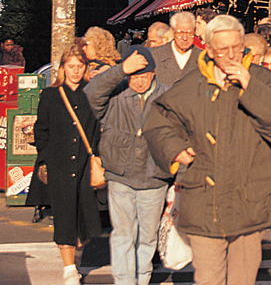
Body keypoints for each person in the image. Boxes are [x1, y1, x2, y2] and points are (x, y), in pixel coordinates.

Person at [144, 15, 271, 285]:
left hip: (249, 200)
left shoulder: (264, 79)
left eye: (236, 48)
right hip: (203, 197)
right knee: (208, 278)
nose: (230, 55)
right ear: (208, 50)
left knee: (243, 278)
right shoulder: (192, 84)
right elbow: (159, 119)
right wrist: (175, 149)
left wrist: (250, 86)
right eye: (222, 49)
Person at [84, 46, 171, 285]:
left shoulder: (167, 95)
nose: (139, 81)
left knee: (147, 236)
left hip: (155, 177)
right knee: (123, 234)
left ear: (153, 74)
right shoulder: (116, 95)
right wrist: (121, 69)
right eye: (134, 76)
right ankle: (124, 281)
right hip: (120, 175)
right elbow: (91, 93)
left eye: (144, 75)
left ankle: (142, 279)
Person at [26, 44, 103, 285]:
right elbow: (41, 130)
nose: (76, 71)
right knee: (64, 217)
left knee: (86, 221)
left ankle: (75, 256)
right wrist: (49, 157)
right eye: (71, 67)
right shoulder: (50, 95)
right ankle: (69, 268)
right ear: (62, 68)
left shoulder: (91, 93)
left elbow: (98, 130)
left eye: (80, 66)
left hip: (84, 166)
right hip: (59, 166)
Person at [151, 11, 201, 88]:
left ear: (194, 32)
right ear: (172, 32)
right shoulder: (155, 56)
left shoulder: (203, 57)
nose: (185, 38)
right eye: (180, 33)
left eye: (189, 33)